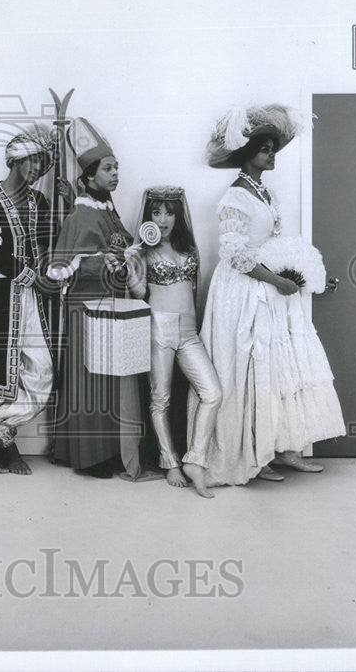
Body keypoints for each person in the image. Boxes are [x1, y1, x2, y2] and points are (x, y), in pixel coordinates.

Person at [192, 104, 346, 485]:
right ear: (247, 153)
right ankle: (255, 454)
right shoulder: (235, 199)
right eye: (264, 148)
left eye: (273, 148)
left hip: (269, 288)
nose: (271, 154)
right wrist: (278, 281)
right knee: (252, 369)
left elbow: (274, 245)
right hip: (244, 291)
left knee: (279, 368)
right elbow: (236, 255)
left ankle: (283, 448)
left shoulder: (267, 194)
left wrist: (307, 278)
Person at [47, 118, 146, 480]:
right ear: (89, 177)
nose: (116, 173)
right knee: (92, 380)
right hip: (88, 309)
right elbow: (59, 266)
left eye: (117, 166)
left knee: (110, 381)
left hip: (112, 305)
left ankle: (110, 450)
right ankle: (91, 457)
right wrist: (99, 260)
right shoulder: (82, 212)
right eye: (108, 168)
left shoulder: (107, 208)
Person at [124, 186, 223, 498]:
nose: (163, 218)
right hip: (160, 328)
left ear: (178, 214)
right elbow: (140, 295)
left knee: (213, 392)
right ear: (148, 215)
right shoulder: (144, 251)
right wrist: (132, 266)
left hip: (189, 331)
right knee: (160, 399)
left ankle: (195, 459)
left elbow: (193, 292)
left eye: (168, 211)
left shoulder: (189, 249)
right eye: (156, 212)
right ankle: (170, 463)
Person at [0, 127, 57, 475]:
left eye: (42, 161)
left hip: (34, 300)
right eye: (33, 160)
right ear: (16, 160)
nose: (38, 167)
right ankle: (4, 447)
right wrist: (33, 277)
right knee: (1, 376)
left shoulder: (41, 202)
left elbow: (51, 241)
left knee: (41, 370)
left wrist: (63, 203)